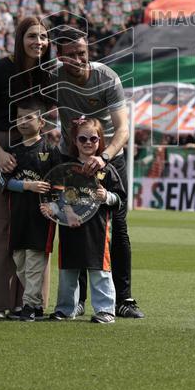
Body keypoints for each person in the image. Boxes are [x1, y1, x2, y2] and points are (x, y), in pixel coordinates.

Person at [51, 26, 143, 319]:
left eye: (83, 53)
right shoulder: (53, 78)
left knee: (118, 227)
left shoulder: (106, 78)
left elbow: (123, 129)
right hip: (72, 159)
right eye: (72, 55)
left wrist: (103, 157)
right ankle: (77, 301)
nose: (79, 59)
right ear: (60, 57)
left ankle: (123, 300)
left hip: (109, 157)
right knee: (73, 224)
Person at [0, 16, 55, 320]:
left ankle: (30, 303)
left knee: (34, 222)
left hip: (34, 150)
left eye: (44, 37)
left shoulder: (47, 74)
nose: (39, 42)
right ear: (20, 39)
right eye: (32, 36)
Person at [42, 117, 121, 324]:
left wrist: (108, 197)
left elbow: (120, 199)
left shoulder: (107, 169)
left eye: (93, 138)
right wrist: (67, 212)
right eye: (82, 138)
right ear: (74, 141)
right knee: (68, 270)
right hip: (70, 228)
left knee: (99, 270)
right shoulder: (66, 169)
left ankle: (105, 310)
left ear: (100, 141)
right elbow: (58, 194)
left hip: (98, 230)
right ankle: (65, 309)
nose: (88, 142)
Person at [0, 98, 60, 322]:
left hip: (40, 218)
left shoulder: (50, 151)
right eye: (19, 118)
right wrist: (28, 186)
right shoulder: (10, 151)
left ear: (41, 122)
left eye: (28, 117)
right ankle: (34, 307)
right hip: (18, 216)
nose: (22, 122)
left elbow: (59, 183)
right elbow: (3, 181)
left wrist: (53, 206)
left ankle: (30, 307)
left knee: (35, 263)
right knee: (21, 263)